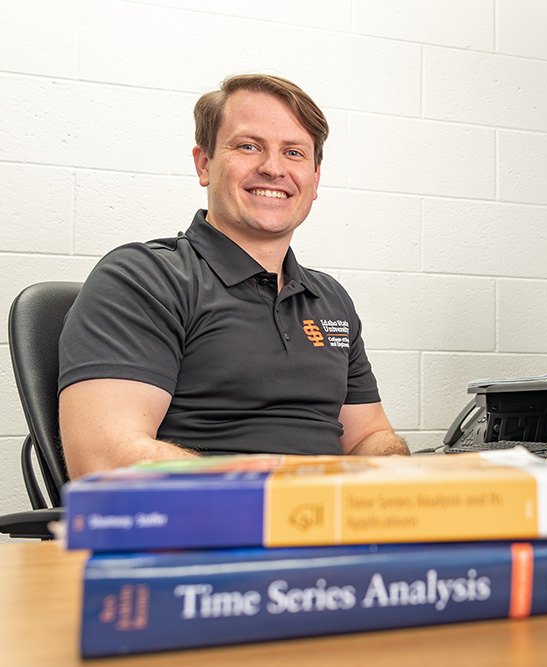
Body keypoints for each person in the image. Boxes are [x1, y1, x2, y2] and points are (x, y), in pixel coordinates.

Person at [58, 74, 409, 479]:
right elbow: (106, 460)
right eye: (248, 146)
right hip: (206, 530)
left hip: (332, 525)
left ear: (315, 180)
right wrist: (285, 498)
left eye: (294, 153)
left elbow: (368, 436)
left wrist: (396, 477)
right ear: (204, 164)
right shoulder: (142, 279)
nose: (273, 168)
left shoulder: (330, 298)